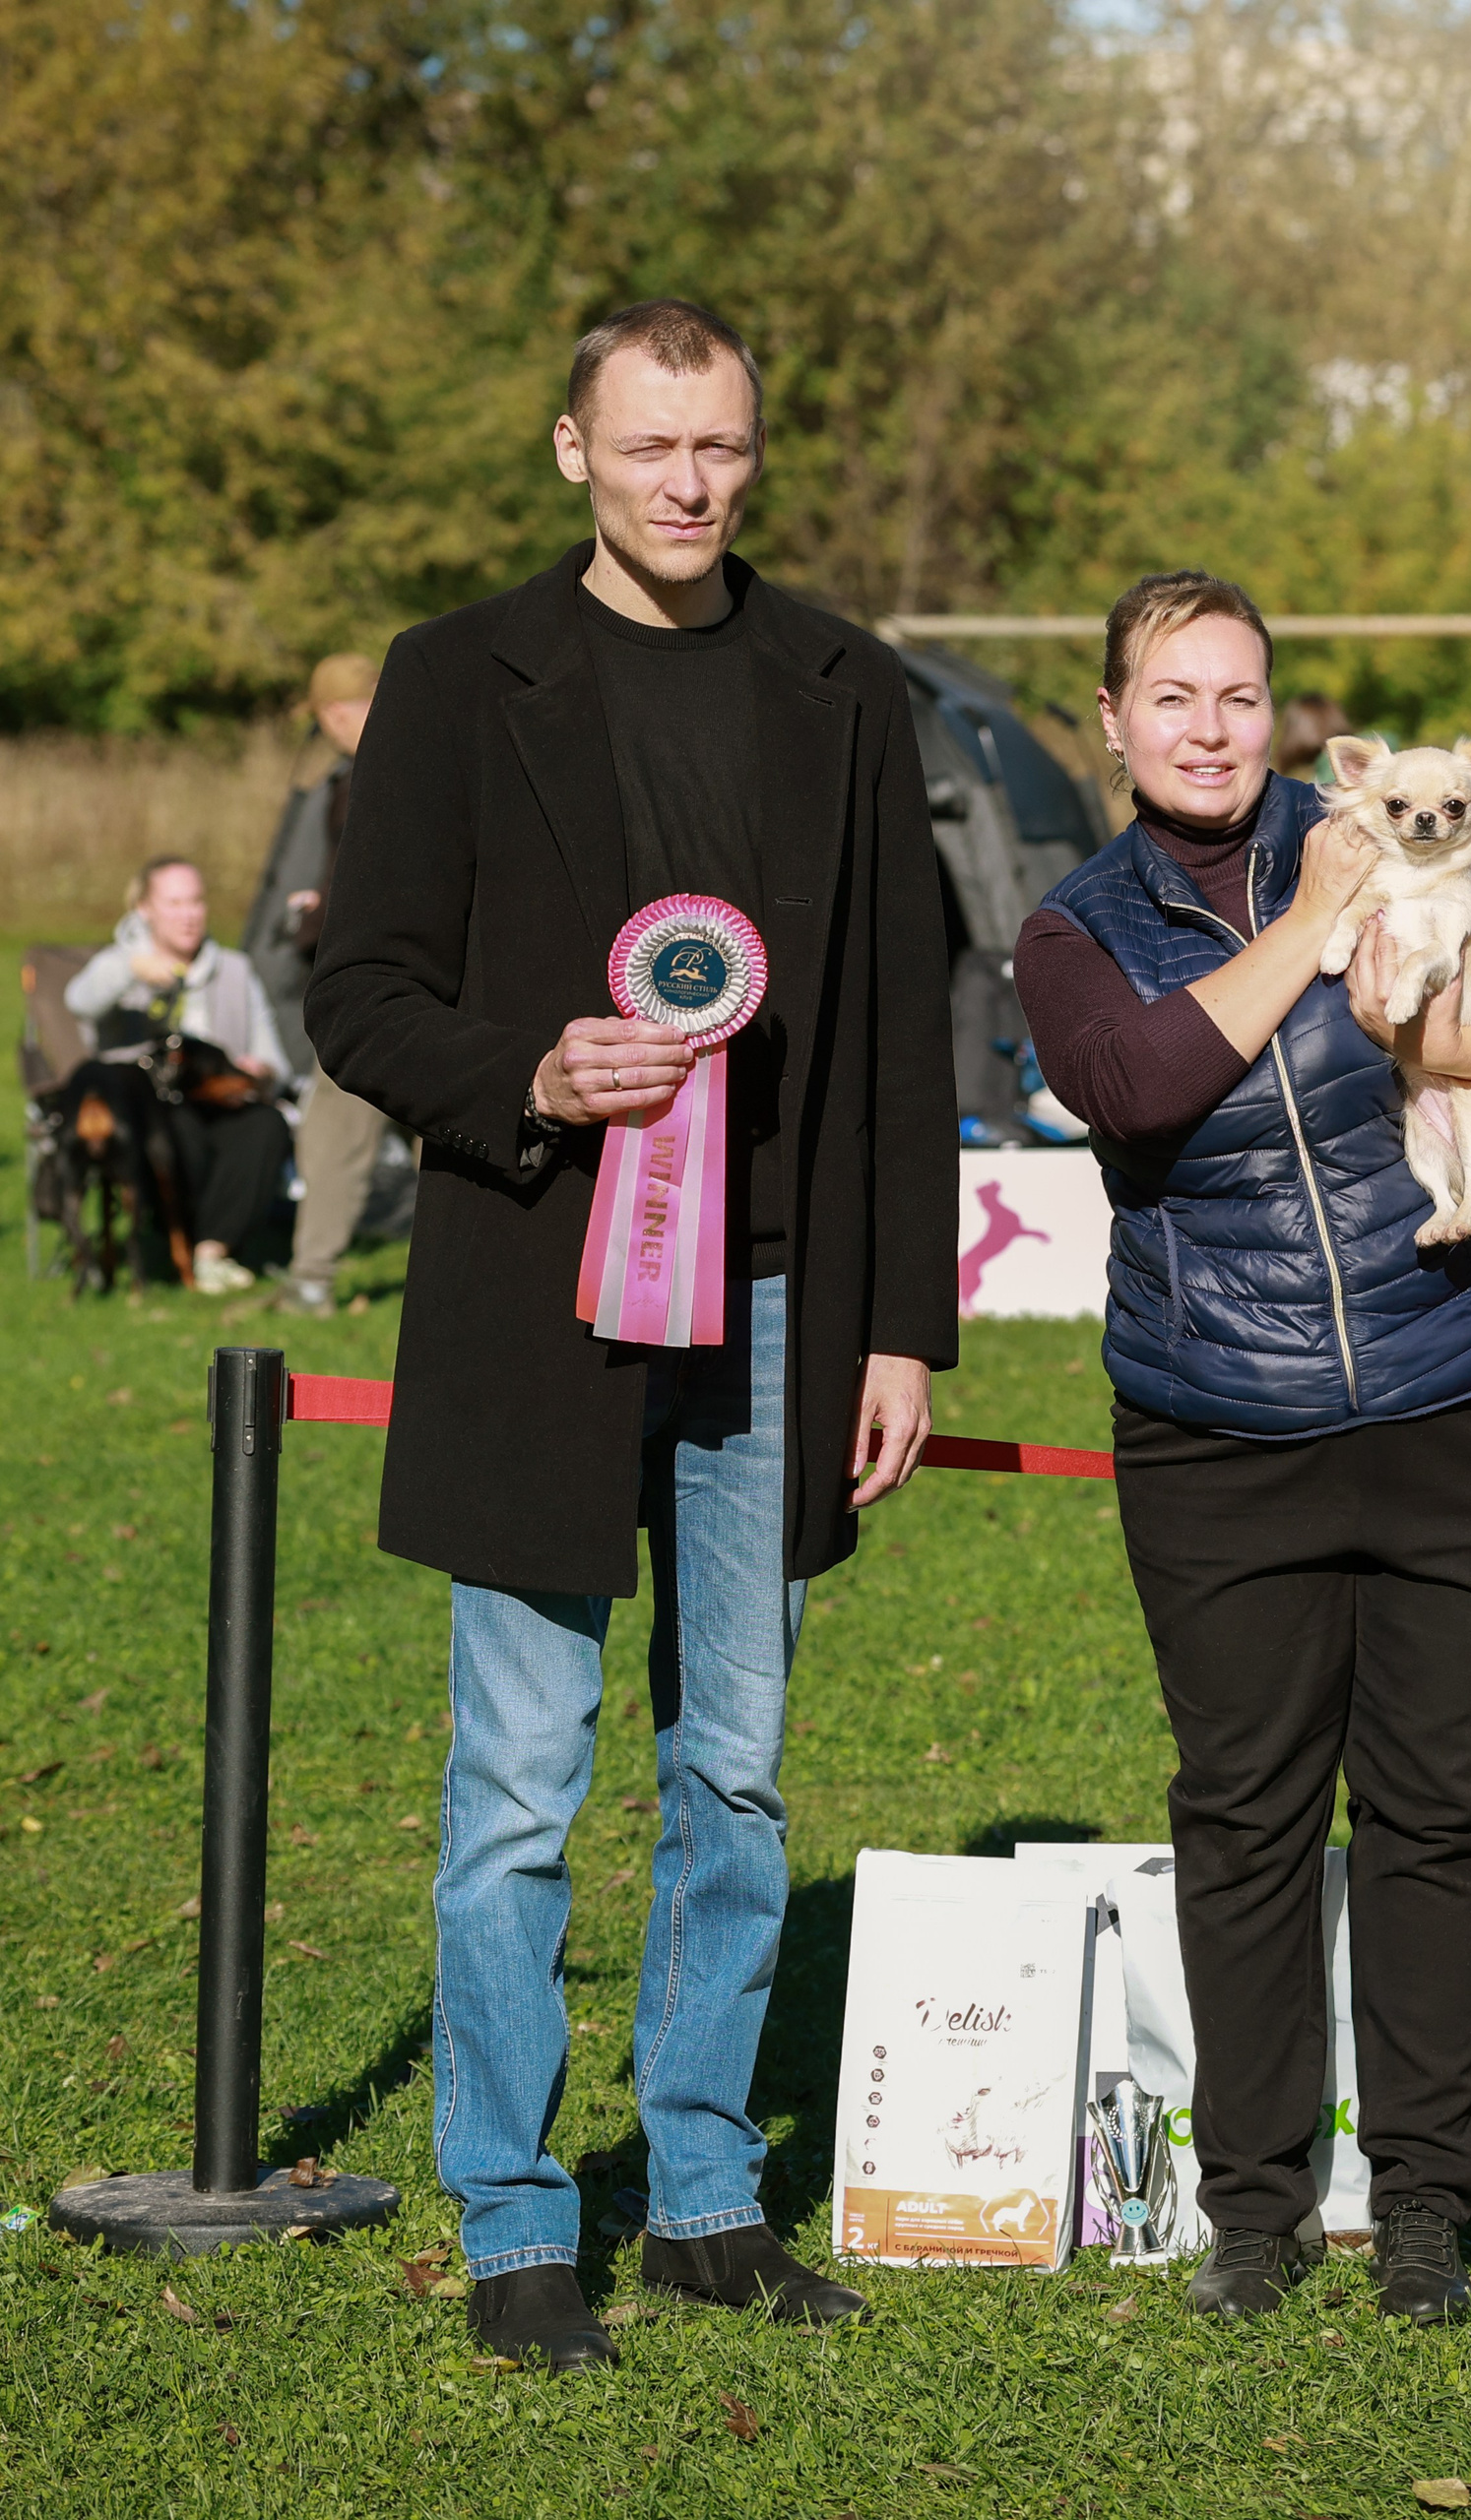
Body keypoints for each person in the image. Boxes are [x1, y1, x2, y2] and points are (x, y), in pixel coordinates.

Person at [304, 298, 957, 2373]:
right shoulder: (448, 676)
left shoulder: (844, 686)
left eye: (726, 450)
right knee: (516, 1779)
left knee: (737, 1774)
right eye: (654, 445)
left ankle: (695, 2190)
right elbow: (363, 990)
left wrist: (904, 1324)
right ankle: (512, 2214)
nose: (692, 482)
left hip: (778, 1309)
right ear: (570, 447)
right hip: (541, 1302)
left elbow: (891, 1032)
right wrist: (530, 1074)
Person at [1011, 570, 1471, 2327]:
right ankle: (1255, 2209)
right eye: (1173, 698)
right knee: (1247, 1818)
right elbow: (1128, 1092)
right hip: (1225, 1427)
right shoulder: (1076, 928)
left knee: (1438, 1816)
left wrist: (1469, 1030)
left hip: (1457, 1394)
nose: (1211, 728)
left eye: (1240, 695)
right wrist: (1313, 919)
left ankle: (1423, 2202)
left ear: (1282, 713)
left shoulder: (1423, 823)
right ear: (1115, 722)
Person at [241, 654, 396, 1317]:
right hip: (436, 977)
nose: (334, 725)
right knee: (453, 1128)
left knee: (335, 1127)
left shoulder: (375, 774)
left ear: (341, 711)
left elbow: (368, 883)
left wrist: (311, 928)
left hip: (381, 980)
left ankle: (311, 1281)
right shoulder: (430, 756)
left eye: (336, 713)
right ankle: (512, 1282)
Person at [66, 857, 291, 1294]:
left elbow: (274, 1062)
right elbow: (79, 1001)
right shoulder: (120, 966)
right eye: (174, 903)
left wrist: (258, 1071)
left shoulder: (236, 971)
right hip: (149, 1115)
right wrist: (131, 970)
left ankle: (212, 1250)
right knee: (173, 1126)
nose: (189, 914)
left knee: (267, 1125)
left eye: (196, 901)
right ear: (145, 909)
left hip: (221, 1106)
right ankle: (175, 1241)